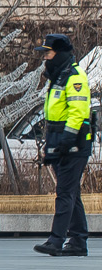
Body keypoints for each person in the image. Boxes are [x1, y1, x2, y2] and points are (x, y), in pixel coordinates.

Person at [33, 33, 92, 258]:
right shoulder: (58, 77)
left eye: (48, 53)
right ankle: (78, 240)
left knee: (65, 192)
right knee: (72, 192)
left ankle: (56, 241)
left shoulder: (74, 77)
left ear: (60, 53)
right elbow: (54, 116)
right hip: (60, 141)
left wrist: (66, 141)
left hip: (74, 143)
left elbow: (78, 112)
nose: (46, 58)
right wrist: (52, 147)